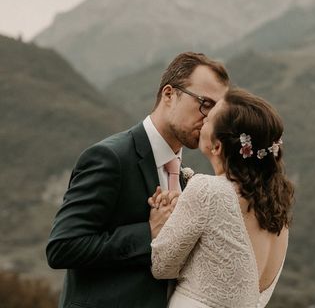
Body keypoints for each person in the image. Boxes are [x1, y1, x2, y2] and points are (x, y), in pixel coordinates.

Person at [46, 52, 230, 308]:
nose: (210, 118)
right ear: (169, 94)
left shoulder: (187, 178)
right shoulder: (110, 158)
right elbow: (62, 247)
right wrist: (149, 232)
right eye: (204, 103)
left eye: (217, 110)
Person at [149, 87, 294, 308]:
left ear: (217, 146)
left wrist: (159, 225)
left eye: (210, 118)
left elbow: (161, 267)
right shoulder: (278, 214)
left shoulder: (208, 190)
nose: (203, 119)